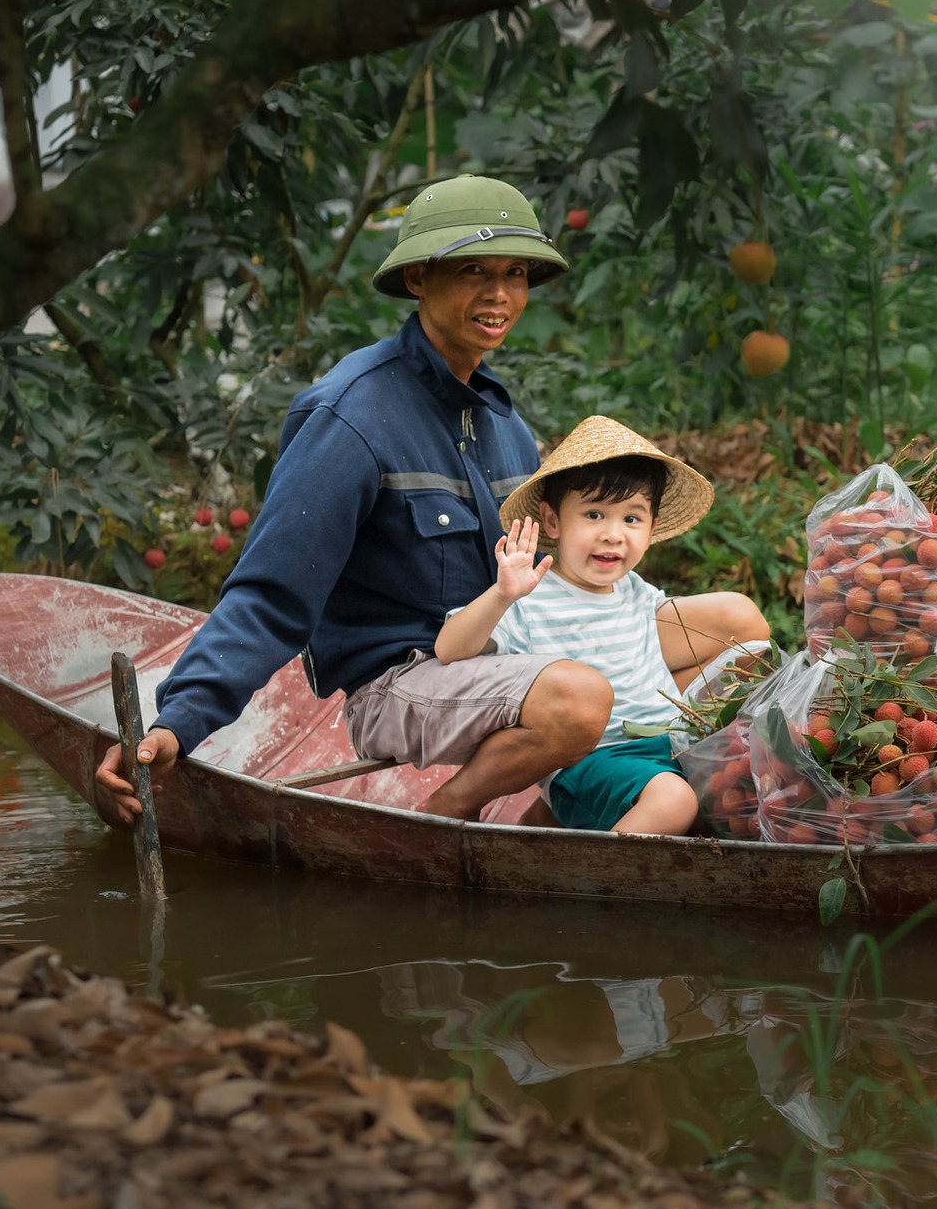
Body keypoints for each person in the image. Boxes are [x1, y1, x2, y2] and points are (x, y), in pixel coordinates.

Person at [93, 175, 749, 825]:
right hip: (406, 680)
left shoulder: (504, 427)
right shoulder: (350, 416)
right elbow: (270, 599)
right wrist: (176, 722)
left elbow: (563, 580)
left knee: (739, 623)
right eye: (472, 271)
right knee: (578, 698)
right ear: (418, 280)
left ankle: (633, 769)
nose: (499, 294)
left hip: (508, 653)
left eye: (515, 272)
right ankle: (450, 813)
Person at [435, 415, 769, 834]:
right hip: (595, 759)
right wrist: (502, 594)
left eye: (631, 519)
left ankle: (552, 823)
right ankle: (599, 881)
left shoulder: (634, 592)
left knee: (754, 774)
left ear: (651, 529)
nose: (613, 535)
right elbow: (450, 649)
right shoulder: (531, 598)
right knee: (674, 800)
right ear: (553, 522)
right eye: (594, 515)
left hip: (668, 743)